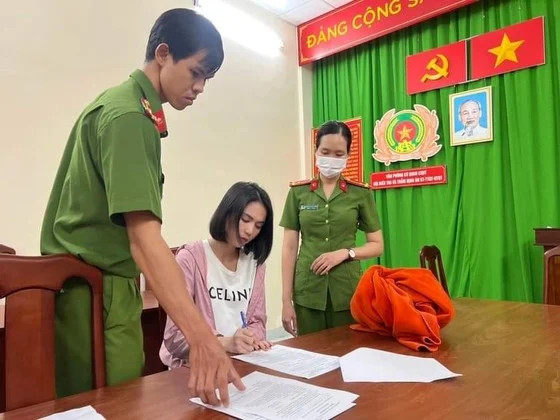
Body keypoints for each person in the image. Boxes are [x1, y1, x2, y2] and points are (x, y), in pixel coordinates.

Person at [40, 8, 243, 406]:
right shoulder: (130, 116)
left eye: (208, 79)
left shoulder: (126, 107)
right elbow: (144, 239)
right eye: (197, 72)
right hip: (97, 293)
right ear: (164, 53)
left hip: (98, 288)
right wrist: (203, 338)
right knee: (109, 405)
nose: (200, 87)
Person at [280, 120, 384, 336]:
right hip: (308, 291)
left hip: (346, 291)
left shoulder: (360, 194)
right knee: (309, 358)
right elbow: (289, 248)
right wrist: (285, 300)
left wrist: (346, 253)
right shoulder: (298, 193)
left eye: (339, 154)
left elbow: (377, 245)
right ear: (316, 151)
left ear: (347, 156)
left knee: (347, 353)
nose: (331, 159)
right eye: (325, 152)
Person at [160, 182, 273, 368]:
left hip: (239, 365)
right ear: (228, 212)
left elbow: (257, 323)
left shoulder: (255, 265)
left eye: (258, 226)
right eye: (245, 219)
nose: (250, 231)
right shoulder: (189, 259)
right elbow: (175, 337)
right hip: (196, 369)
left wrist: (251, 339)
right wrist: (225, 343)